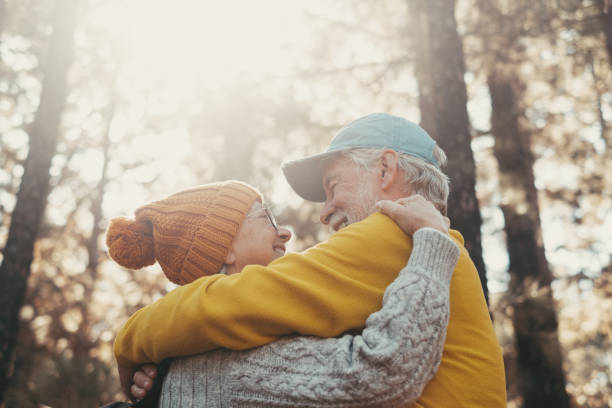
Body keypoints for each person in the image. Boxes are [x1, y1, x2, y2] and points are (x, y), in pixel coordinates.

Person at [115, 113, 507, 407]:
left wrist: (133, 341)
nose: (325, 211)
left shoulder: (393, 232)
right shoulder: (428, 241)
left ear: (386, 169)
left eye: (333, 186)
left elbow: (239, 302)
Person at [105, 181, 458, 407]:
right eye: (267, 219)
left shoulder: (187, 351)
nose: (285, 232)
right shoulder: (231, 364)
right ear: (225, 249)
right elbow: (384, 373)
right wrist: (432, 245)